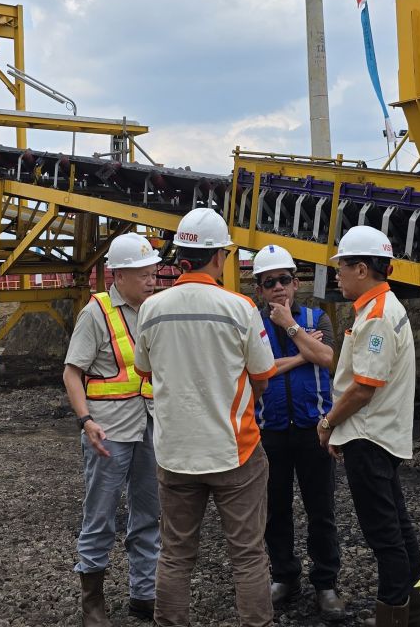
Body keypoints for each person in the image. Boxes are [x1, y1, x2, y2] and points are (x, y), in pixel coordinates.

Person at [133, 208, 278, 627]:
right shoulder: (240, 307)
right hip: (235, 449)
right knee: (248, 554)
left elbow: (146, 370)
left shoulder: (152, 309)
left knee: (175, 554)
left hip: (174, 452)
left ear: (181, 255)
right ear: (218, 257)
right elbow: (263, 376)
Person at [317, 226, 420, 627]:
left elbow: (363, 388)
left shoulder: (378, 315)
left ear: (362, 268)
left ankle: (394, 615)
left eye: (341, 266)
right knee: (397, 527)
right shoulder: (380, 308)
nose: (337, 274)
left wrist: (328, 423)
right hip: (379, 436)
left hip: (370, 438)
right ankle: (412, 614)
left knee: (384, 537)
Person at [62, 232, 163, 625]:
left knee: (148, 515)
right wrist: (86, 421)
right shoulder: (96, 313)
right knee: (100, 516)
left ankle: (144, 594)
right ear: (118, 275)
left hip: (150, 427)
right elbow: (72, 374)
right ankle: (93, 603)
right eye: (142, 272)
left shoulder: (156, 308)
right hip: (109, 433)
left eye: (152, 270)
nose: (151, 277)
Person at [251, 244, 345, 621]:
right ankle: (284, 576)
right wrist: (304, 353)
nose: (278, 287)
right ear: (259, 289)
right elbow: (256, 370)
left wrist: (291, 329)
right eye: (269, 282)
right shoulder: (252, 325)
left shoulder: (317, 317)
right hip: (270, 431)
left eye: (284, 279)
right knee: (275, 511)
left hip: (314, 429)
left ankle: (326, 584)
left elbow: (330, 359)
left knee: (321, 510)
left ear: (296, 282)